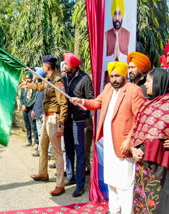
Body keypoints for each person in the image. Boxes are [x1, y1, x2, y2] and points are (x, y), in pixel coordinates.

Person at [71, 61, 146, 213]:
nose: (114, 79)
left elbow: (141, 118)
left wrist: (130, 140)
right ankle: (114, 209)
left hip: (123, 145)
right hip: (109, 144)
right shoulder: (108, 88)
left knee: (125, 184)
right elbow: (96, 103)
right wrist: (82, 101)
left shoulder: (134, 91)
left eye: (117, 76)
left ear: (124, 75)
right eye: (111, 76)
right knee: (112, 180)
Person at [19, 55, 68, 196]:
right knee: (43, 146)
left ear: (47, 66)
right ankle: (43, 173)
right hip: (46, 117)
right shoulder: (48, 79)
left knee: (57, 152)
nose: (42, 67)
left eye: (43, 65)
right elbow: (40, 86)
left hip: (54, 119)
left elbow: (63, 103)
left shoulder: (58, 81)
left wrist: (61, 124)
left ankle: (60, 184)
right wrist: (27, 85)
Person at [130, 68, 169, 214]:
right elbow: (138, 129)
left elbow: (157, 134)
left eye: (149, 81)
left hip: (160, 164)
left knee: (157, 200)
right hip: (142, 163)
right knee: (143, 198)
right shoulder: (148, 104)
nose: (145, 85)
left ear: (159, 82)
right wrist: (134, 147)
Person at [61, 53, 94, 197]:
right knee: (68, 150)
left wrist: (81, 104)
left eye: (66, 64)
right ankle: (70, 176)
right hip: (67, 120)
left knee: (80, 152)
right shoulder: (64, 78)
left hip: (79, 122)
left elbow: (90, 99)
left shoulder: (85, 79)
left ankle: (80, 184)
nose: (64, 66)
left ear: (73, 66)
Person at [19, 72, 39, 147]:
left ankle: (36, 142)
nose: (27, 80)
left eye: (28, 78)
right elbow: (21, 97)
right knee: (27, 126)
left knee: (33, 126)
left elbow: (34, 99)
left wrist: (27, 106)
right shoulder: (24, 88)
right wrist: (23, 105)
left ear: (31, 78)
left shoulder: (34, 87)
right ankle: (29, 140)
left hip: (31, 109)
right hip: (24, 110)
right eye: (26, 78)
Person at [31, 67, 45, 155]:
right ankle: (40, 150)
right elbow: (36, 100)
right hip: (37, 113)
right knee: (40, 134)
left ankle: (47, 152)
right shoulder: (39, 85)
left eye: (36, 73)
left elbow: (48, 101)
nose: (34, 75)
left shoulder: (45, 85)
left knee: (44, 135)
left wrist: (44, 113)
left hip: (42, 115)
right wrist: (33, 110)